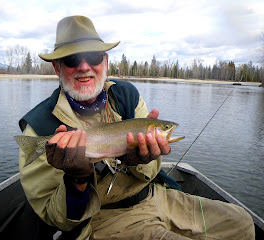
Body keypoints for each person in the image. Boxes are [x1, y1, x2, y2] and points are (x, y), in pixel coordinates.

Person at [18, 15, 255, 239]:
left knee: (242, 222)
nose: (84, 67)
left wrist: (140, 160)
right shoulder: (40, 127)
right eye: (71, 60)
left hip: (155, 195)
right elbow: (55, 219)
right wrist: (76, 180)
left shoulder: (126, 95)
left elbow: (151, 171)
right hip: (104, 220)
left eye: (93, 57)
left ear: (105, 62)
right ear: (57, 68)